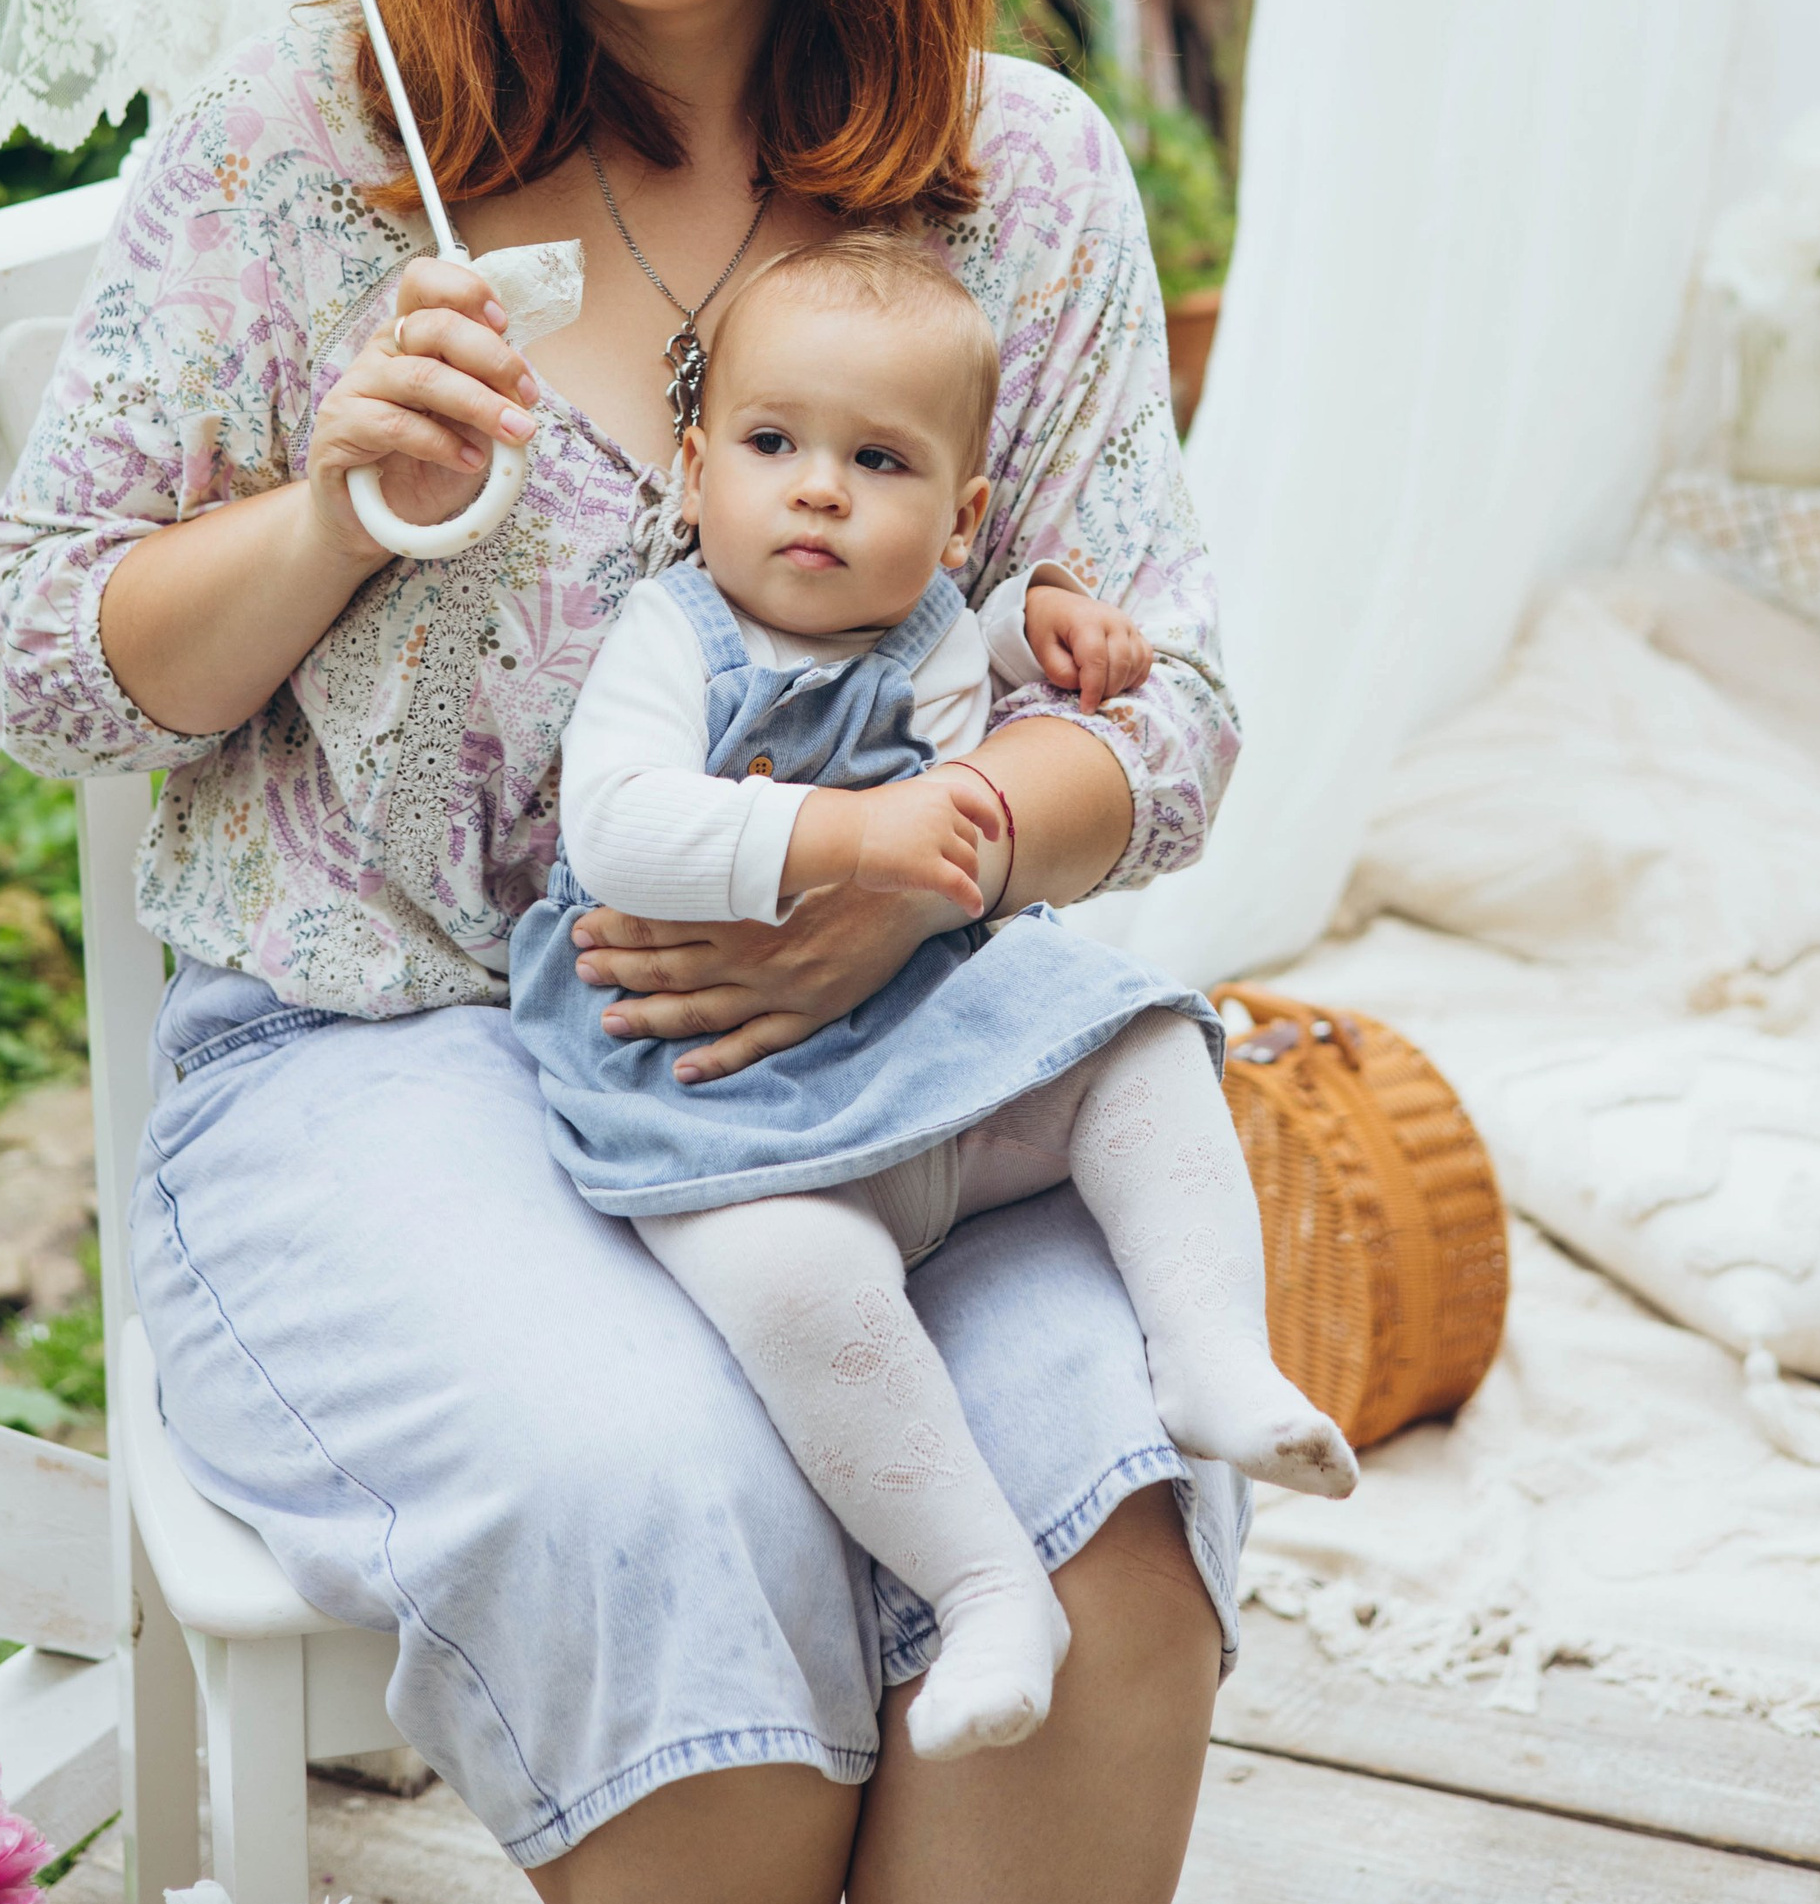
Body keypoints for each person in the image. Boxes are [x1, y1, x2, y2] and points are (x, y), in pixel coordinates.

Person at [0, 0, 1249, 1904]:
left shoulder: (1016, 180)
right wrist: (335, 506)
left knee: (1104, 1497)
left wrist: (927, 855)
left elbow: (1182, 706)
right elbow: (45, 660)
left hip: (898, 1059)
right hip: (390, 1060)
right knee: (652, 1482)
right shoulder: (301, 161)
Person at [515, 232, 1355, 1763]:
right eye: (773, 445)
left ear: (956, 514)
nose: (820, 489)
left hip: (922, 1055)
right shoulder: (670, 638)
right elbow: (615, 825)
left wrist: (1054, 622)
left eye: (878, 460)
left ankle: (1210, 1352)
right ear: (696, 472)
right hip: (729, 1091)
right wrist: (853, 838)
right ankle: (984, 1589)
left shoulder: (930, 627)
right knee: (787, 1286)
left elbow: (994, 656)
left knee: (1147, 1041)